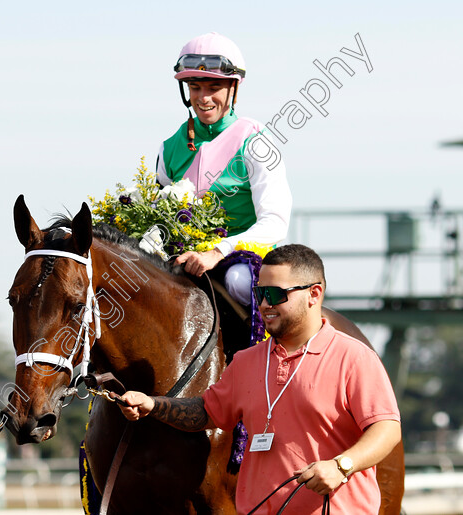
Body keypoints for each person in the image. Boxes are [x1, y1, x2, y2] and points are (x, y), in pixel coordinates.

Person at [117, 245, 401, 514]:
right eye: (260, 293)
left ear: (314, 294)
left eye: (276, 294)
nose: (265, 304)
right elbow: (206, 411)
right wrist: (153, 405)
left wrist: (341, 466)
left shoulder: (353, 357)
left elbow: (387, 429)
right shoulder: (246, 361)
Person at [157, 32, 292, 306]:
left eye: (213, 87)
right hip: (184, 257)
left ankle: (265, 349)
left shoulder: (257, 143)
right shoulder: (169, 147)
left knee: (239, 282)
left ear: (233, 88)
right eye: (195, 87)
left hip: (241, 260)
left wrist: (218, 251)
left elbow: (276, 222)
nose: (203, 98)